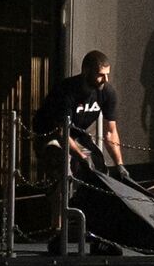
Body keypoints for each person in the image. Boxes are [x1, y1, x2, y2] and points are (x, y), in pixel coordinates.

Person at [34, 50, 128, 183]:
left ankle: (86, 201)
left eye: (107, 75)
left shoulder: (107, 93)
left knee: (98, 164)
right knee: (62, 165)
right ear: (86, 71)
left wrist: (119, 164)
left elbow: (110, 132)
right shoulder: (65, 91)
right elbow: (61, 132)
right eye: (100, 75)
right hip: (50, 134)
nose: (105, 80)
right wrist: (82, 157)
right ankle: (60, 200)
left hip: (76, 134)